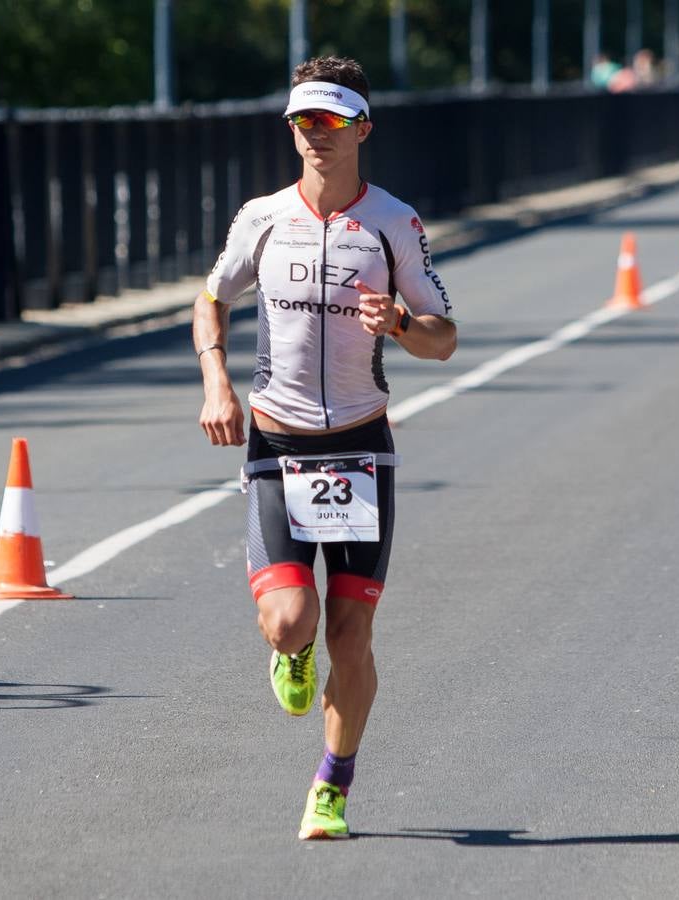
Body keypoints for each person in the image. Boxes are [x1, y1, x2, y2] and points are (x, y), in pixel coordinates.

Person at [192, 55, 457, 840]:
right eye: (304, 122)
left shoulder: (394, 222)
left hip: (361, 452)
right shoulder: (261, 217)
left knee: (353, 635)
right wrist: (216, 384)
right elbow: (211, 300)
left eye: (333, 122)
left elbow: (443, 338)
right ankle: (292, 651)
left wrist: (402, 326)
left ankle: (332, 785)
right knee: (288, 621)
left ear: (362, 129)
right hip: (278, 442)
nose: (317, 137)